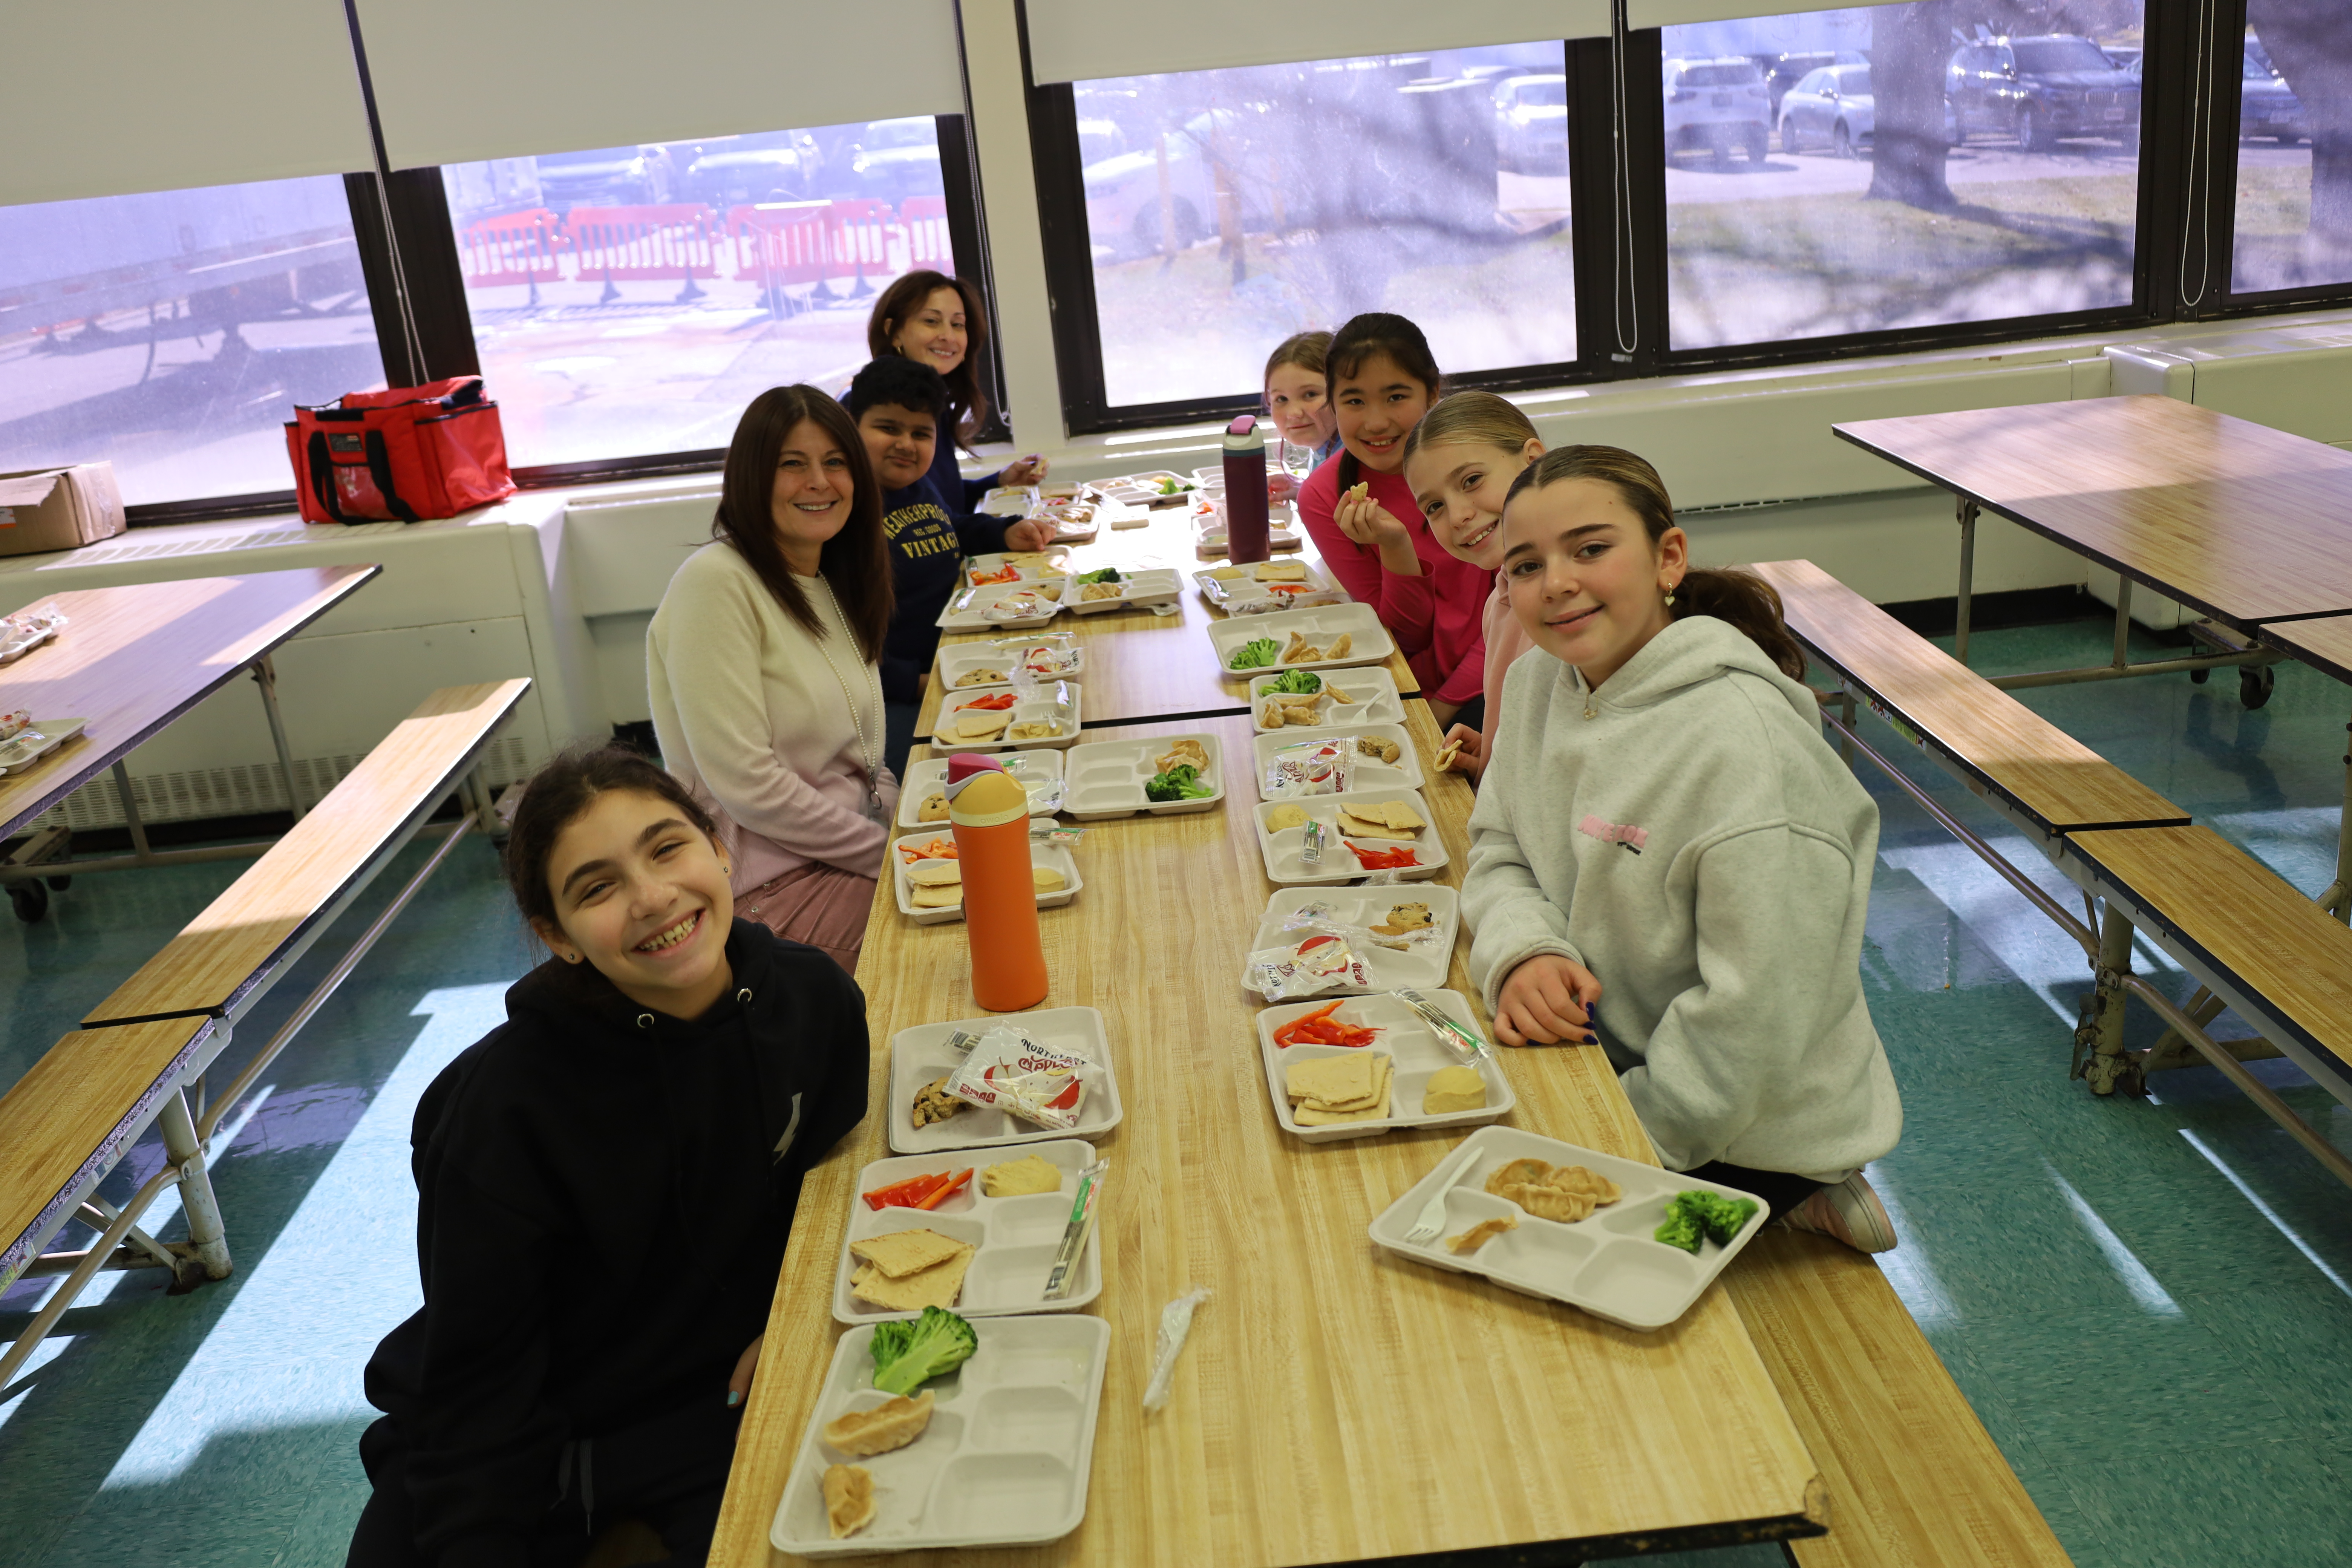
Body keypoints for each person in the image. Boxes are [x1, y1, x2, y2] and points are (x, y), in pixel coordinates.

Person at [347, 746, 869, 1568]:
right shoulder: (500, 1111)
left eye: (669, 848)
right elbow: (478, 1392)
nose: (653, 896)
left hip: (710, 1412)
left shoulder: (813, 1002)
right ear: (558, 937)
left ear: (720, 847)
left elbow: (835, 1178)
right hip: (526, 1441)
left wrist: (795, 1314)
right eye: (598, 887)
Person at [1461, 446, 1903, 1253]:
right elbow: (1499, 845)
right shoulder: (1537, 684)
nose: (1555, 582)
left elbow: (1755, 1018)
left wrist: (1618, 1137)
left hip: (1735, 1119)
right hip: (1609, 1054)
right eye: (1525, 565)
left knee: (1506, 1244)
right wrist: (1523, 950)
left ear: (1669, 557)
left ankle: (1792, 1192)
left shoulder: (1746, 753)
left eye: (1591, 550)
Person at [647, 385, 898, 973]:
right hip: (769, 894)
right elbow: (747, 783)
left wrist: (904, 826)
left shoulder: (831, 580)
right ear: (752, 479)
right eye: (793, 465)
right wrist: (889, 854)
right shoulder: (716, 582)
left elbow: (865, 754)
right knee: (972, 920)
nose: (819, 482)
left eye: (835, 462)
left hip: (844, 858)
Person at [845, 357, 1053, 775]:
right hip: (903, 695)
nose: (907, 444)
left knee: (1051, 709)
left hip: (956, 657)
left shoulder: (916, 486)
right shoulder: (848, 515)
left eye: (921, 433)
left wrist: (1003, 533)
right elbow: (846, 643)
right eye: (889, 428)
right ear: (851, 426)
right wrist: (921, 685)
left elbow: (947, 524)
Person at [1294, 313, 1492, 729]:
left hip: (1506, 673)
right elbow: (1401, 640)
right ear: (1332, 404)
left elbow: (1516, 610)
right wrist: (1396, 548)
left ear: (1433, 393)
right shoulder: (1324, 496)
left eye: (1396, 397)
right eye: (1354, 401)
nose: (1377, 421)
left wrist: (1443, 709)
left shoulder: (1480, 463)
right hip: (1410, 689)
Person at [1400, 391, 1544, 781]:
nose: (1459, 516)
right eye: (1434, 507)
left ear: (1533, 461)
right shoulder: (1498, 604)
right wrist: (1494, 751)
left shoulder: (1572, 605)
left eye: (1472, 480)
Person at [866, 270, 1047, 511]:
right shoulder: (866, 406)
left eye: (958, 325)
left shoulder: (934, 404)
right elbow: (916, 518)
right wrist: (1003, 532)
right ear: (894, 332)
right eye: (931, 321)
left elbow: (942, 502)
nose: (948, 336)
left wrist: (1000, 481)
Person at [1262, 330, 1340, 504]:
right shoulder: (1324, 448)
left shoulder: (1351, 462)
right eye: (1282, 399)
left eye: (1310, 394)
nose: (1294, 413)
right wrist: (1303, 489)